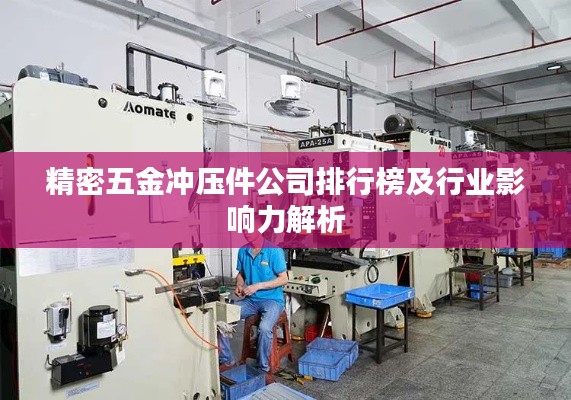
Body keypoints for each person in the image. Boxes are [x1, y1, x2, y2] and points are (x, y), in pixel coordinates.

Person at [218, 215, 288, 383]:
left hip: (272, 300)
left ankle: (263, 369)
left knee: (264, 328)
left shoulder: (274, 251)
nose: (246, 232)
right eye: (244, 228)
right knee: (221, 319)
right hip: (251, 300)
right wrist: (239, 285)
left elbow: (284, 279)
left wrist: (258, 286)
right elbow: (241, 274)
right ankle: (228, 360)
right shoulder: (243, 251)